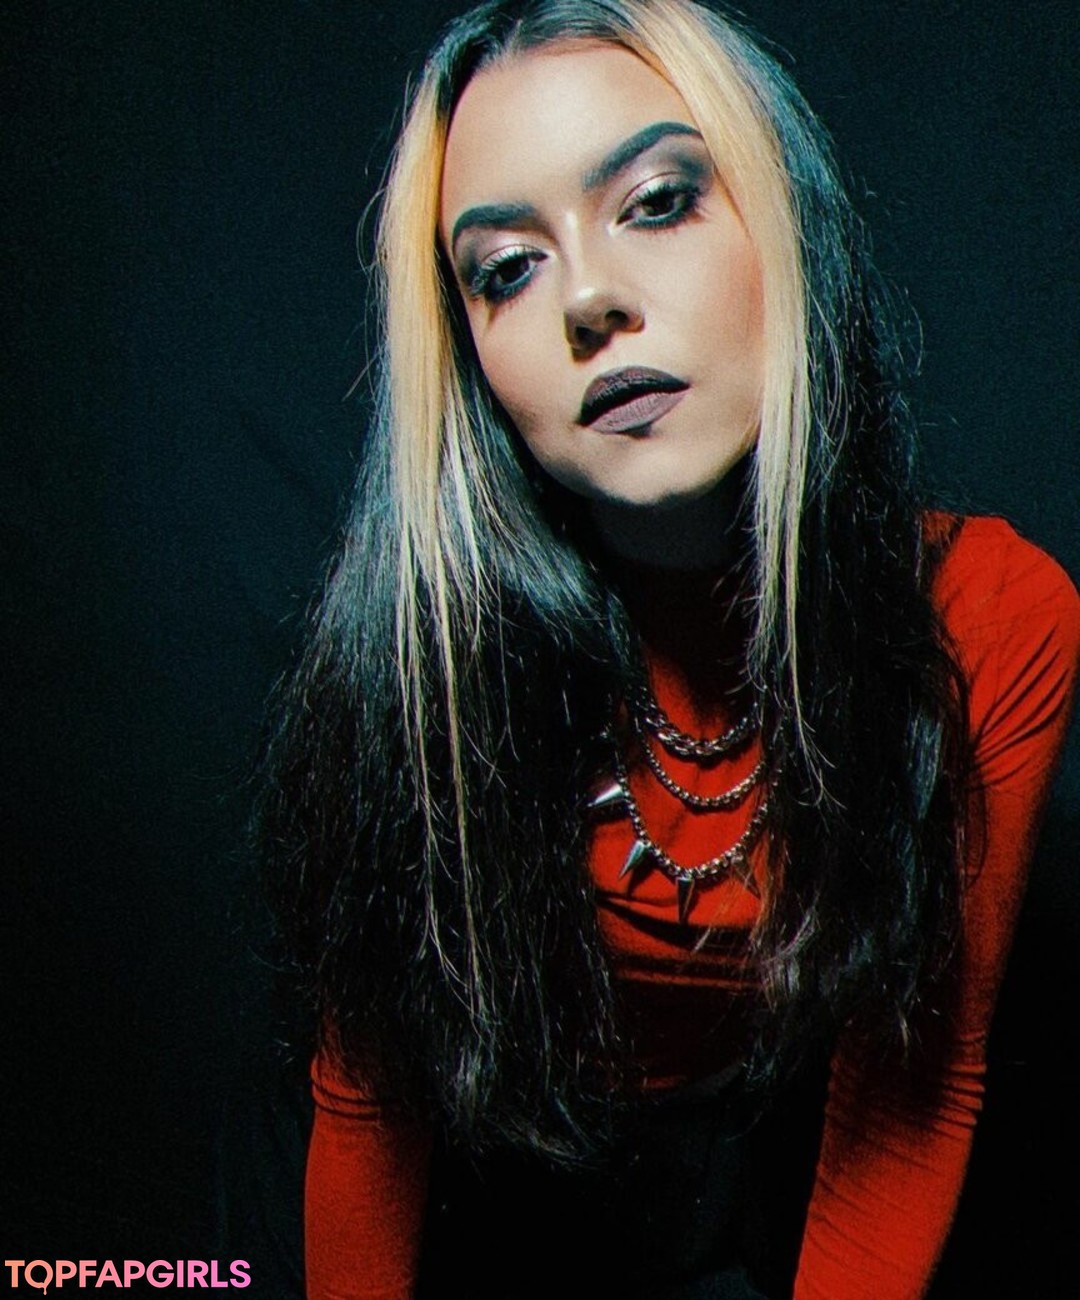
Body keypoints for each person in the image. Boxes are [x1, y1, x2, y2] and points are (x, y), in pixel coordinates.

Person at [261, 1, 1080, 1296]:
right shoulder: (420, 651)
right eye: (506, 269)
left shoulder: (988, 617)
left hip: (769, 1183)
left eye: (655, 202)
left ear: (782, 223)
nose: (589, 298)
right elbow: (368, 1107)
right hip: (497, 1182)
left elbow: (909, 1102)